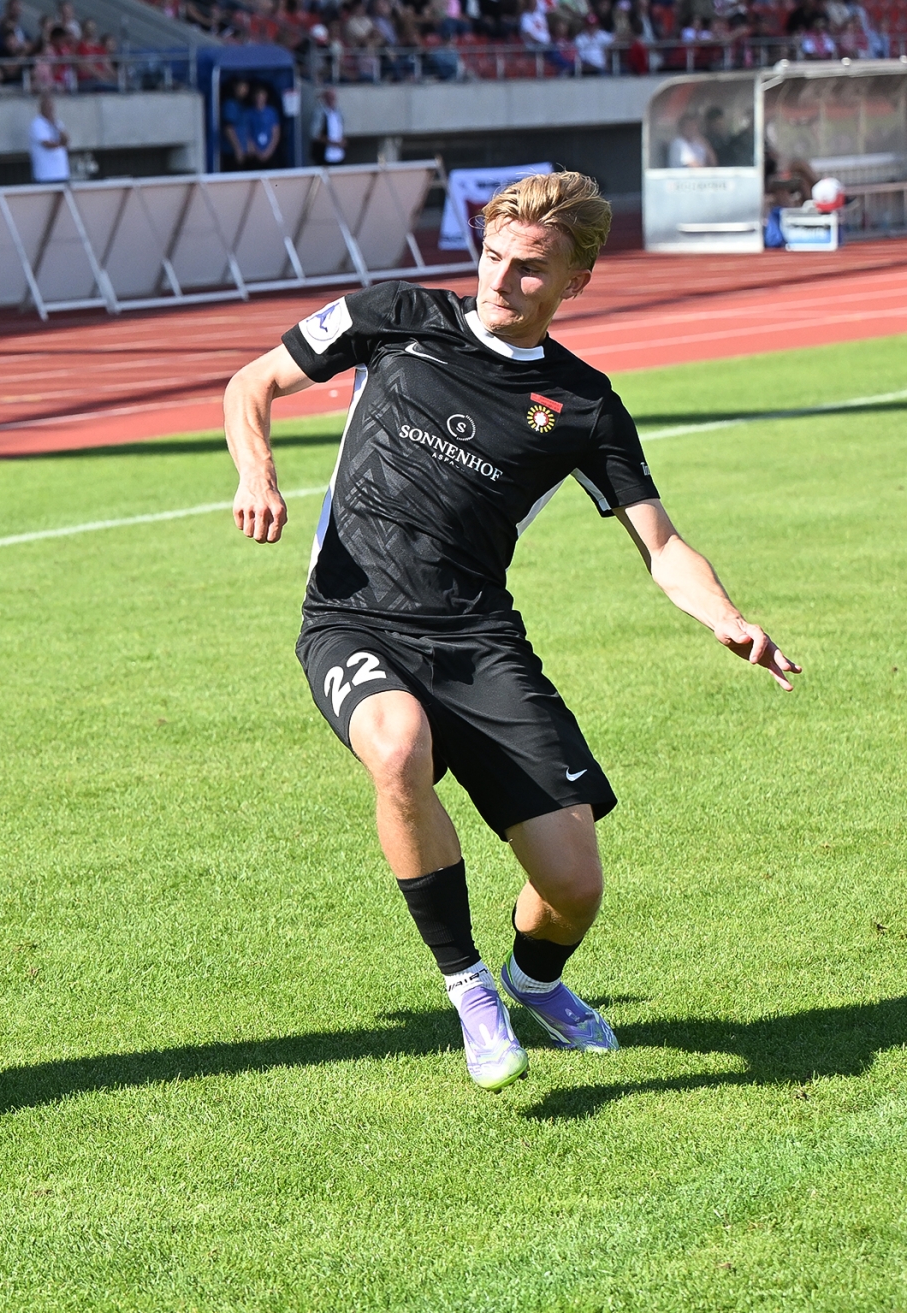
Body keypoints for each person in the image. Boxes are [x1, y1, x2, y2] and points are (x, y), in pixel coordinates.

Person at [220, 172, 798, 1090]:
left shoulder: (583, 404)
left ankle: (533, 980)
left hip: (478, 638)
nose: (501, 279)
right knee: (396, 745)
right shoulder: (396, 315)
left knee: (574, 886)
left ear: (575, 281)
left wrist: (728, 618)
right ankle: (471, 991)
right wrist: (257, 472)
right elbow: (252, 382)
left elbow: (659, 543)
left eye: (530, 268)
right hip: (351, 617)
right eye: (492, 256)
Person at [237, 82, 281, 170]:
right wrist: (256, 152)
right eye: (257, 96)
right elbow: (246, 134)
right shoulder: (248, 113)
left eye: (262, 96)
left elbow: (276, 133)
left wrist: (268, 152)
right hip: (254, 154)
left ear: (266, 96)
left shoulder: (271, 112)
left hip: (270, 153)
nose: (259, 98)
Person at [29, 91, 70, 183]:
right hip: (46, 174)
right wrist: (61, 144)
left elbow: (66, 139)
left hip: (61, 172)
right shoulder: (37, 124)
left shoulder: (57, 123)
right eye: (47, 106)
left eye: (51, 106)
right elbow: (47, 144)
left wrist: (55, 125)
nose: (50, 109)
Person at [313, 85, 345, 165]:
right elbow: (315, 135)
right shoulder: (319, 113)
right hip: (324, 155)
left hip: (339, 155)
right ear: (325, 98)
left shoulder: (338, 112)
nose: (332, 100)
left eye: (333, 97)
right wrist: (333, 143)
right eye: (329, 97)